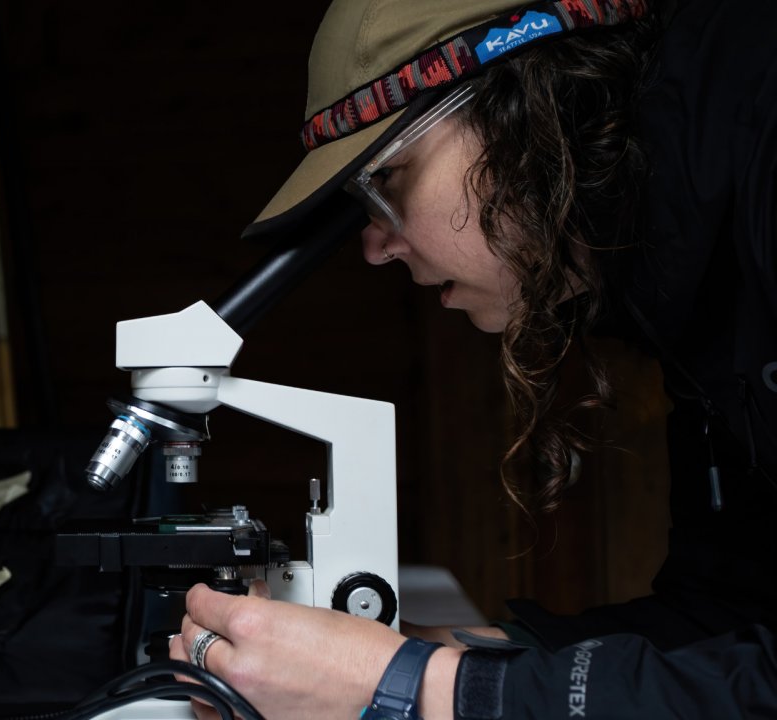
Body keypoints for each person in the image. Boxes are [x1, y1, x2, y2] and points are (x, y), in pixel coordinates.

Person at [168, 0, 777, 717]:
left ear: (521, 105)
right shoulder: (690, 267)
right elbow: (724, 620)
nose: (376, 246)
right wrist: (445, 655)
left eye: (387, 181)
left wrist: (424, 688)